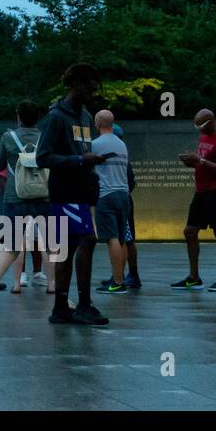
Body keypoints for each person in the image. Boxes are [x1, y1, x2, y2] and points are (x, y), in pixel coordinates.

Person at [34, 63, 114, 326]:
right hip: (65, 192)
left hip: (79, 191)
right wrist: (80, 160)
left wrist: (88, 165)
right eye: (89, 85)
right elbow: (43, 157)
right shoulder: (56, 117)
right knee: (87, 240)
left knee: (67, 249)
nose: (93, 90)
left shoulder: (83, 116)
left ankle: (60, 307)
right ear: (75, 84)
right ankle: (83, 304)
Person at [0, 102, 55, 309]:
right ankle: (53, 284)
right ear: (38, 117)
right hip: (43, 196)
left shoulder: (8, 137)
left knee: (11, 247)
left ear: (18, 116)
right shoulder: (45, 137)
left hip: (15, 196)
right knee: (50, 245)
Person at [174, 109, 216, 291]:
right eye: (196, 126)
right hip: (201, 191)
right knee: (190, 231)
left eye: (201, 125)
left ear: (211, 121)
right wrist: (191, 161)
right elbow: (202, 161)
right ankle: (194, 277)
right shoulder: (204, 138)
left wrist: (199, 160)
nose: (198, 129)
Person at [91, 110, 136, 296]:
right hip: (123, 195)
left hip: (106, 195)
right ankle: (120, 278)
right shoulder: (122, 145)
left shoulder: (94, 145)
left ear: (97, 123)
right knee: (122, 237)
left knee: (111, 238)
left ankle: (117, 282)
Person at [113, 123, 142, 289]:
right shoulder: (123, 158)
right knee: (124, 238)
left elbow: (130, 182)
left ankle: (127, 274)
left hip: (121, 200)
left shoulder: (120, 159)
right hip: (124, 199)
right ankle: (124, 274)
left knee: (125, 238)